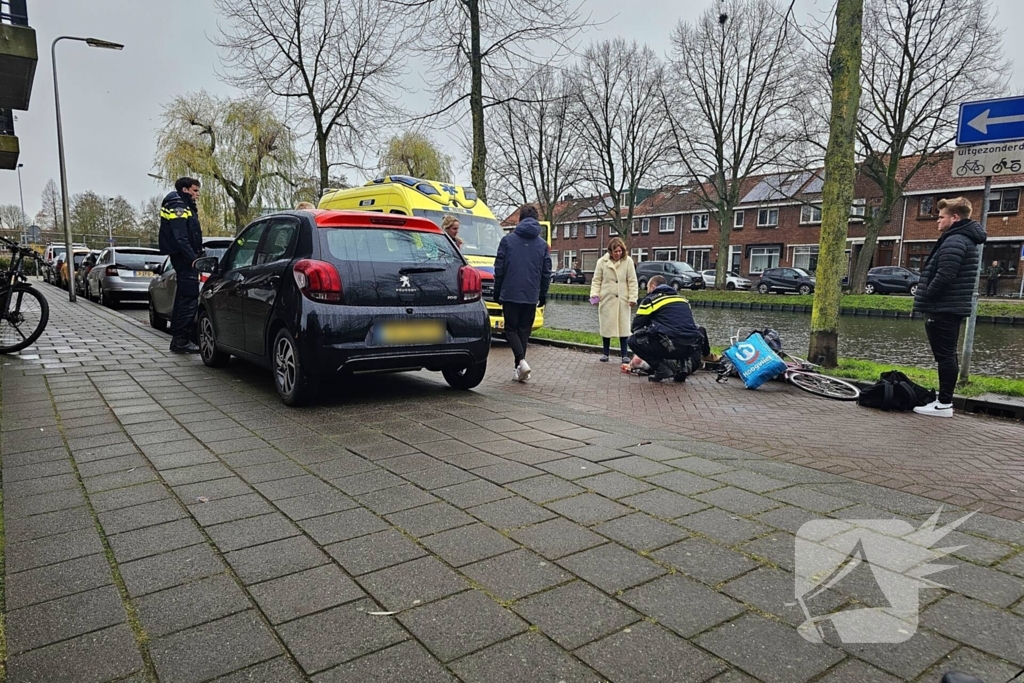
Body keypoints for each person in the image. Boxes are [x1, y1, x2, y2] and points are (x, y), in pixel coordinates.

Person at [912, 196, 987, 418]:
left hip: (943, 307)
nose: (937, 220)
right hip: (949, 306)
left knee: (945, 356)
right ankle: (943, 401)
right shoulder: (963, 239)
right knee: (947, 355)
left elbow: (945, 275)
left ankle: (944, 403)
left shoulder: (955, 240)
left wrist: (927, 295)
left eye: (941, 216)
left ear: (954, 218)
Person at [493, 204, 552, 382]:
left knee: (511, 329)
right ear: (536, 220)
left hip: (510, 292)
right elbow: (546, 272)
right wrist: (542, 294)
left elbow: (499, 269)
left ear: (520, 219)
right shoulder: (543, 245)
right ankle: (518, 369)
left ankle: (521, 362)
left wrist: (497, 291)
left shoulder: (507, 241)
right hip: (531, 294)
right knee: (524, 331)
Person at [629, 275, 711, 382]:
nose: (647, 292)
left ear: (653, 287)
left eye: (647, 288)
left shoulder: (651, 300)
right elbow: (683, 324)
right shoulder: (683, 300)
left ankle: (661, 369)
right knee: (679, 333)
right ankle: (683, 368)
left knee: (632, 340)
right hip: (691, 346)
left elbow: (636, 326)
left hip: (670, 346)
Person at [159, 177, 204, 354]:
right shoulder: (178, 205)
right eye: (195, 190)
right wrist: (194, 259)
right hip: (185, 259)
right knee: (188, 299)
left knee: (183, 298)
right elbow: (181, 237)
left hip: (183, 258)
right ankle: (182, 341)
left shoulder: (180, 204)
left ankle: (179, 340)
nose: (197, 195)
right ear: (185, 190)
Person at [589, 237, 638, 363]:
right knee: (606, 326)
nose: (618, 254)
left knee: (624, 327)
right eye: (616, 251)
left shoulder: (628, 261)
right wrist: (594, 295)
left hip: (623, 300)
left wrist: (633, 297)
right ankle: (605, 353)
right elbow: (596, 280)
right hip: (607, 299)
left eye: (620, 251)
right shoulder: (601, 262)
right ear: (610, 251)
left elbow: (632, 281)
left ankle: (624, 354)